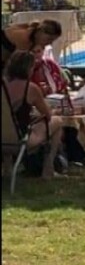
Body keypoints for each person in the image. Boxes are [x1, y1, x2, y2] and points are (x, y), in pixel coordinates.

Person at [3, 51, 63, 179]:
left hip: (3, 139)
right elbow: (47, 115)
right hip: (20, 142)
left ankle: (7, 170)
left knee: (7, 124)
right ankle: (48, 169)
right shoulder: (30, 89)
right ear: (28, 69)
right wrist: (54, 112)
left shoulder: (3, 87)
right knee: (57, 122)